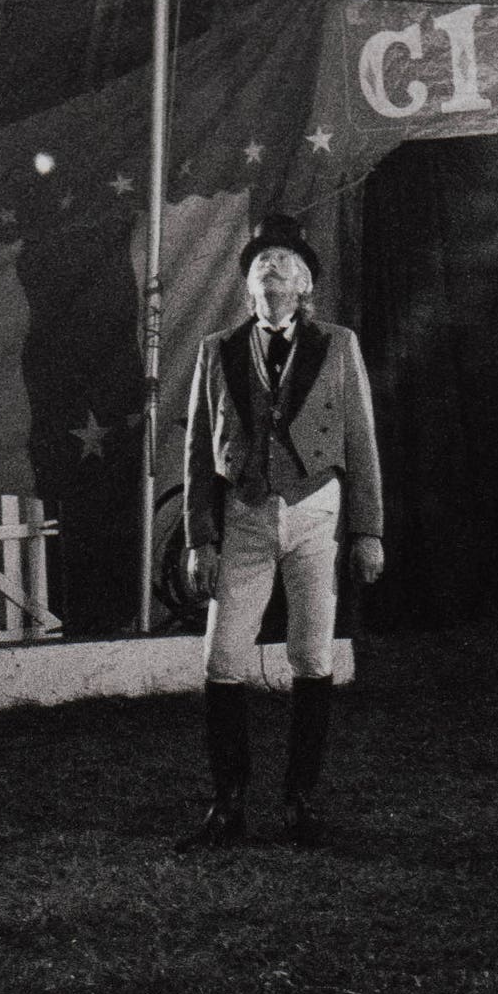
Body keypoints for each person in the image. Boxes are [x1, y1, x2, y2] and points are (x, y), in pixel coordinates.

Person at [173, 212, 384, 851]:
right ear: (249, 285)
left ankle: (299, 802)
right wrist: (197, 537)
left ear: (306, 284)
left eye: (286, 261)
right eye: (262, 261)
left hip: (318, 513)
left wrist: (368, 530)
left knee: (312, 656)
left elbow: (361, 439)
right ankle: (228, 806)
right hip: (244, 515)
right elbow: (196, 448)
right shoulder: (218, 350)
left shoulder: (339, 345)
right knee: (223, 659)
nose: (273, 267)